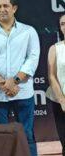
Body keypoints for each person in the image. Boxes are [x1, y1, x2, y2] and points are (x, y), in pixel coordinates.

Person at [0, 0, 40, 156]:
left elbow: (32, 59)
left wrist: (15, 81)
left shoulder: (29, 31)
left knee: (27, 136)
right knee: (0, 140)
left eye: (6, 6)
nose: (2, 9)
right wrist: (3, 83)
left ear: (14, 8)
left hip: (23, 92)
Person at [46, 14, 65, 156]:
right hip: (60, 101)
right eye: (63, 24)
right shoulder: (55, 48)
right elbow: (51, 76)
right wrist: (62, 100)